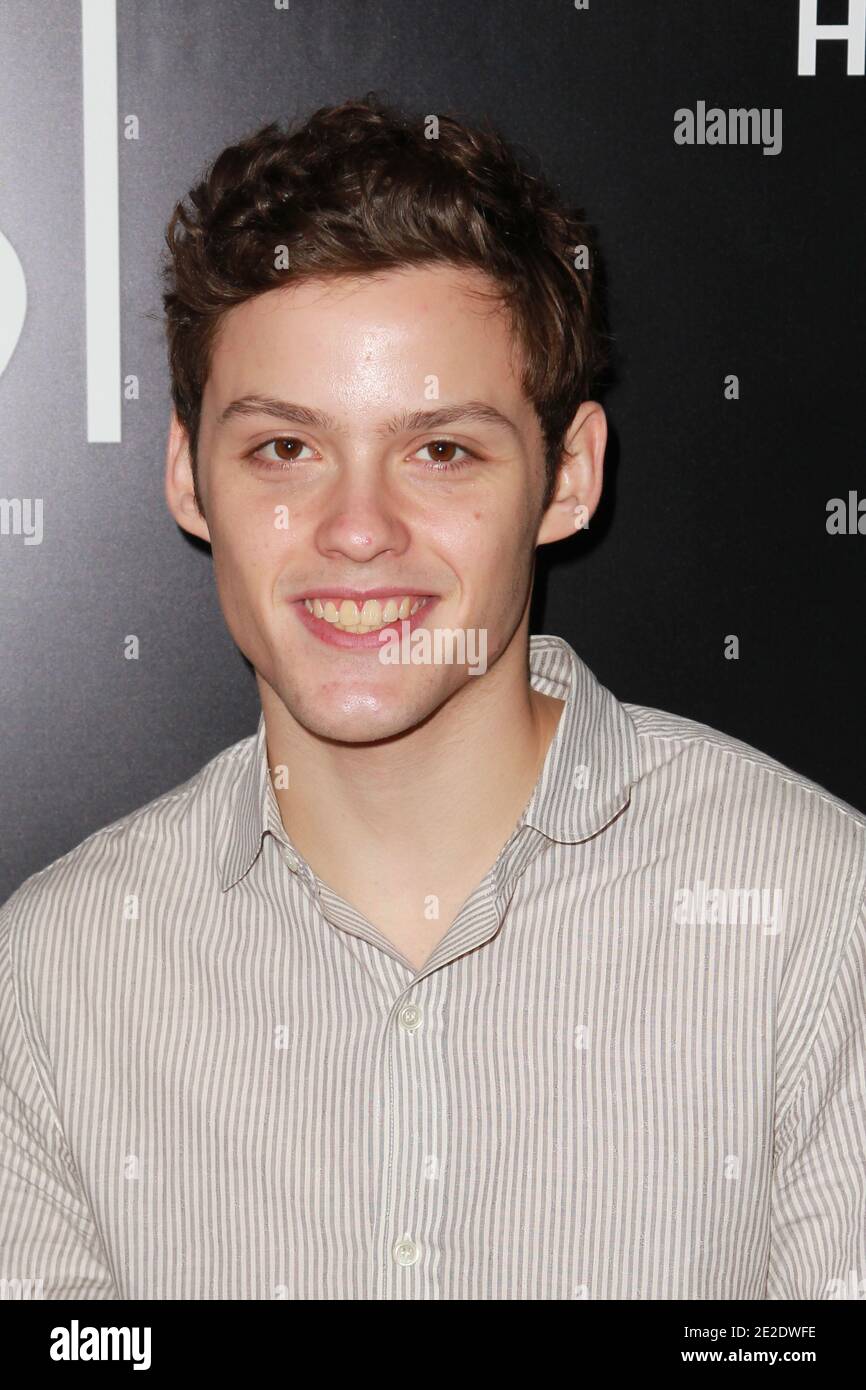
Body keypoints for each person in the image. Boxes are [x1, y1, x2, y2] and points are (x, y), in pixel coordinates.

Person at [1, 95, 864, 1301]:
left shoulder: (817, 919)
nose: (357, 531)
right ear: (189, 477)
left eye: (441, 450)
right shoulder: (54, 976)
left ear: (567, 479)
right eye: (284, 449)